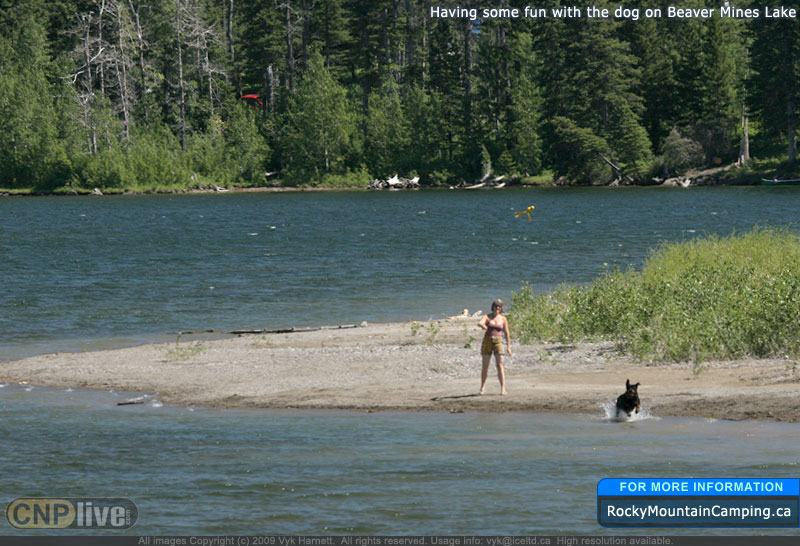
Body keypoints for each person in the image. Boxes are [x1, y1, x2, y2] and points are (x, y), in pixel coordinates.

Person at [478, 298, 511, 395]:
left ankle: (503, 389)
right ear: (493, 307)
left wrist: (509, 347)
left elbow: (507, 333)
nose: (497, 308)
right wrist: (483, 326)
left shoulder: (503, 319)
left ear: (501, 308)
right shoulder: (488, 316)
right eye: (496, 306)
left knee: (500, 365)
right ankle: (482, 387)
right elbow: (480, 322)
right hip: (488, 341)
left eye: (499, 307)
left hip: (498, 341)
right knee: (485, 366)